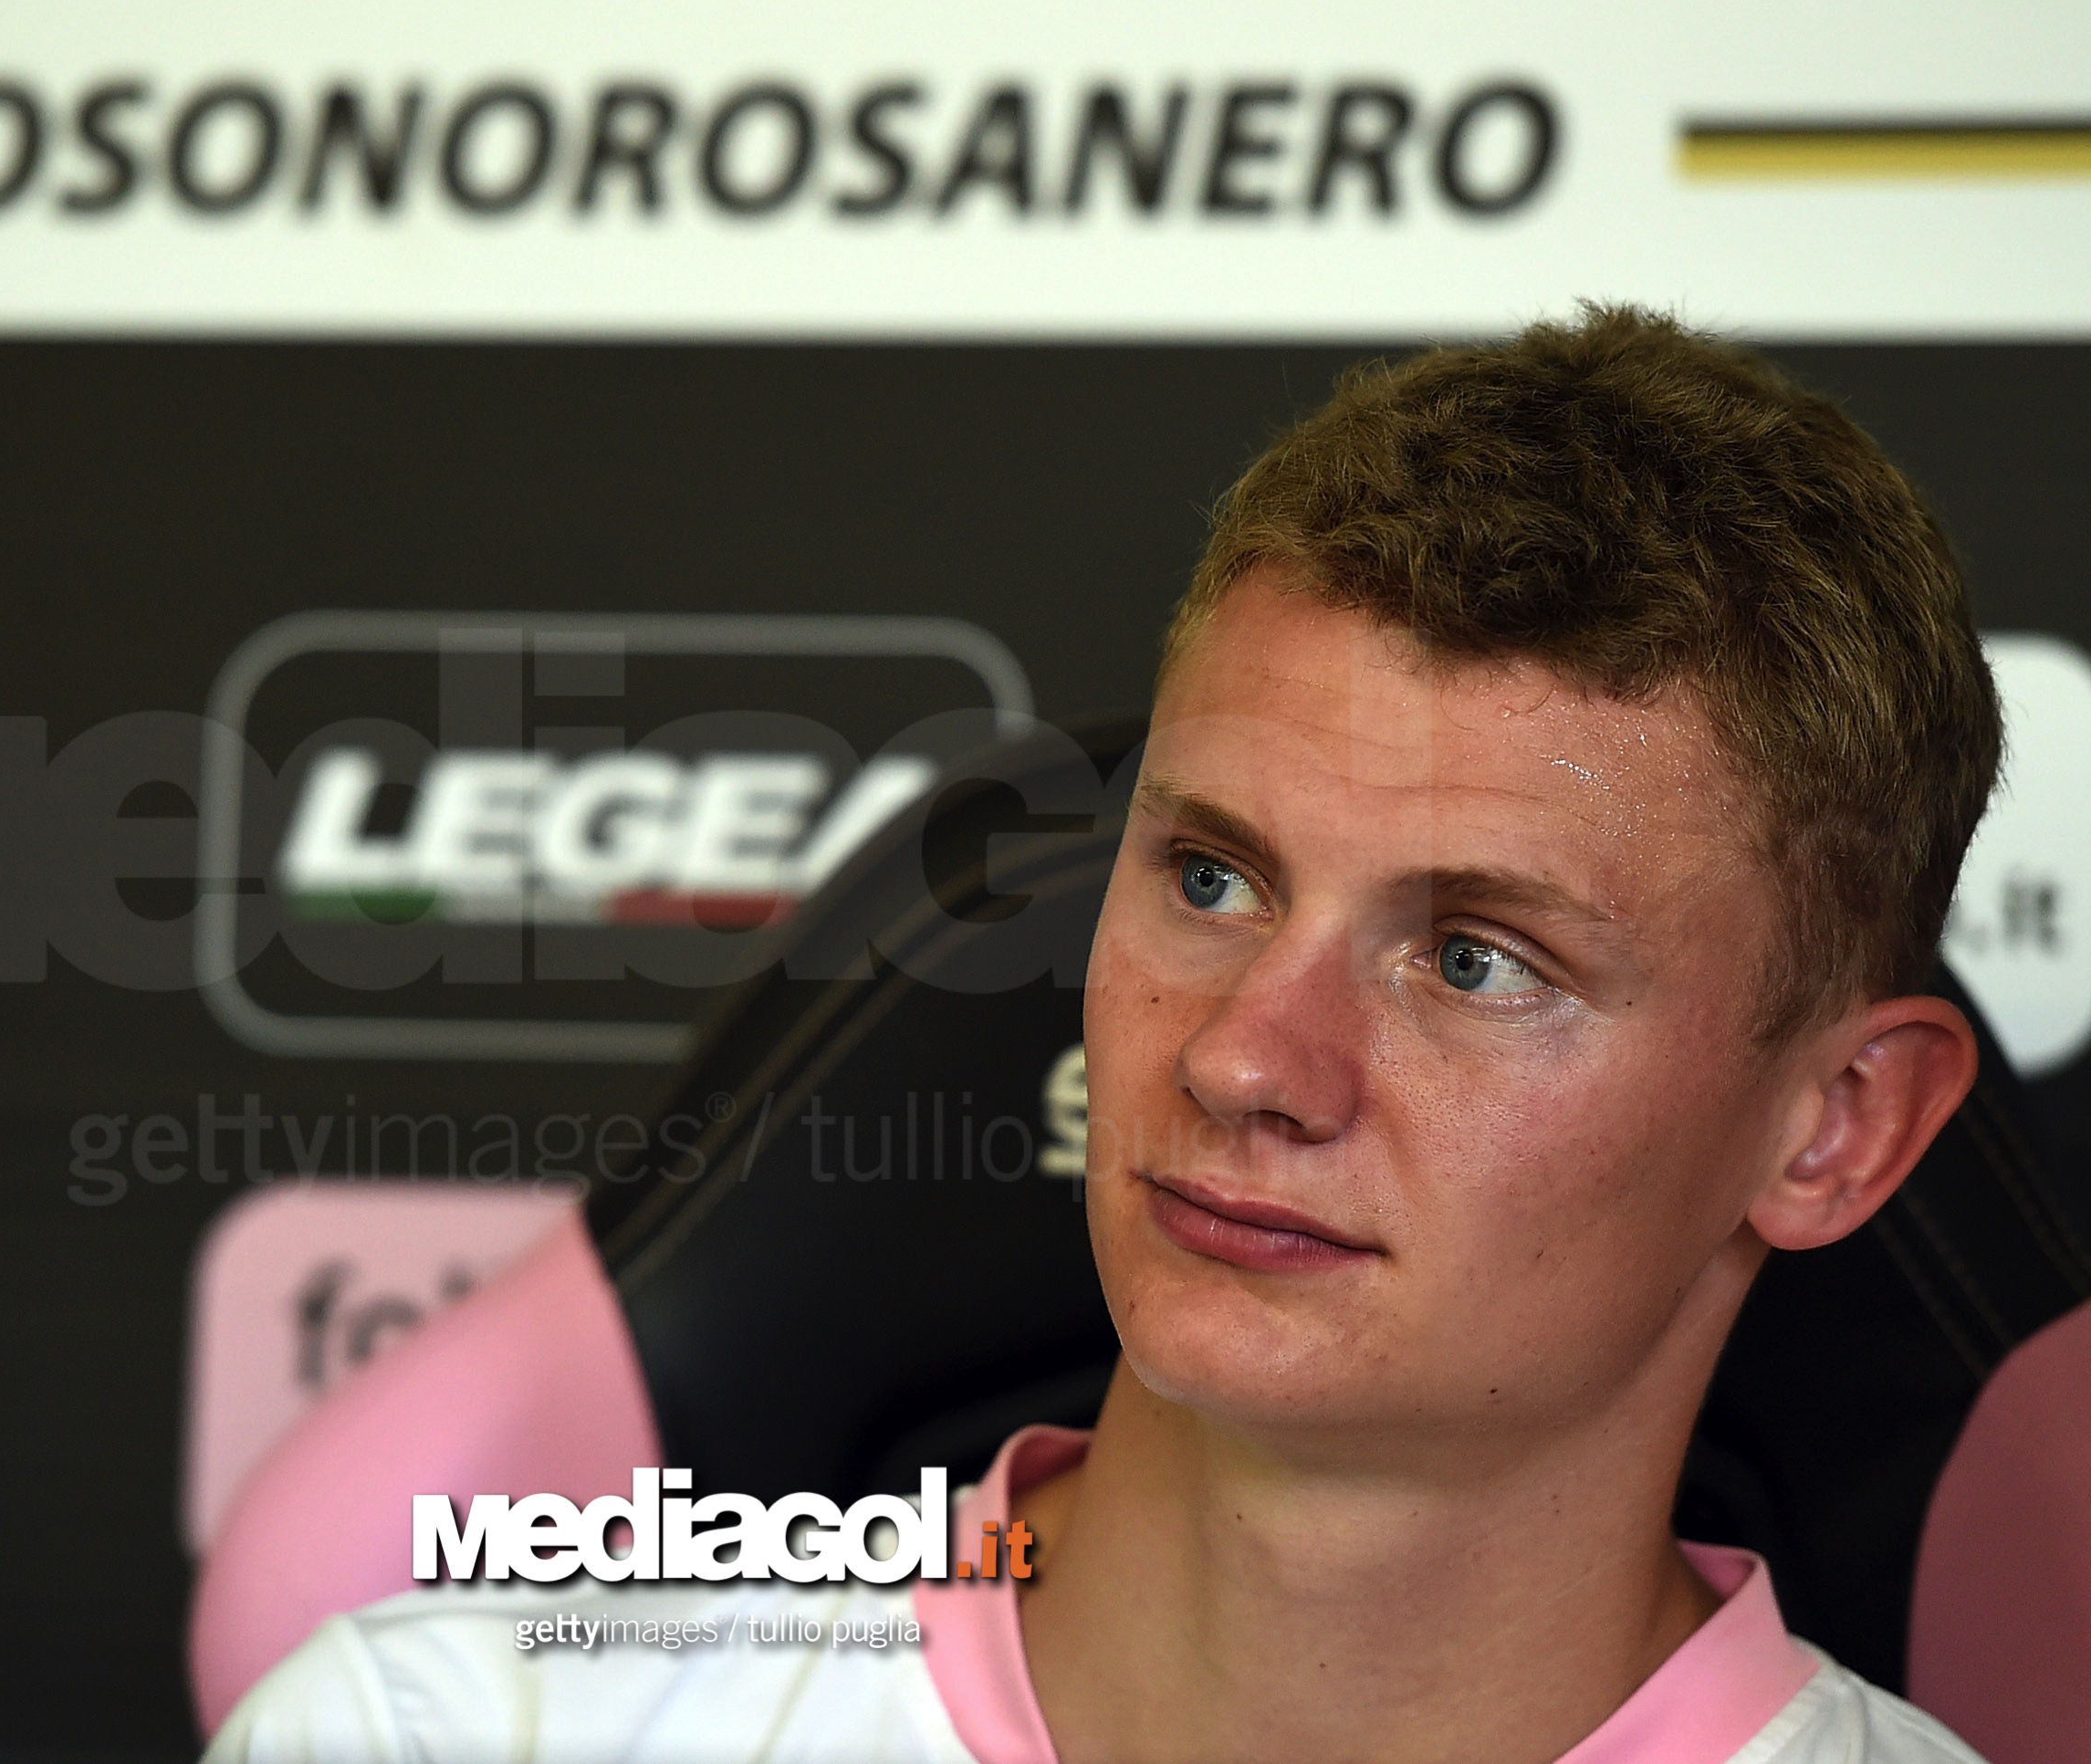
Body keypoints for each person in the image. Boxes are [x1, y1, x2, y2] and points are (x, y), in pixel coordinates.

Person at [204, 307, 2000, 1763]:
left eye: (1472, 961)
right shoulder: (454, 1734)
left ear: (1834, 1127)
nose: (1241, 1062)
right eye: (1213, 879)